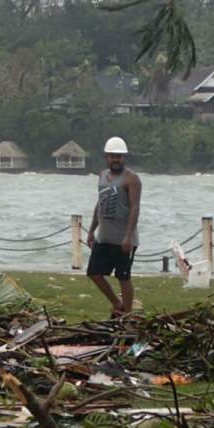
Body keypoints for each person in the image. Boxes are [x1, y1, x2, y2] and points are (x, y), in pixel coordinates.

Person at [87, 136, 142, 317]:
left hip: (123, 239)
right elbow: (99, 203)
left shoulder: (131, 179)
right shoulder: (102, 176)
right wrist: (91, 230)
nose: (115, 159)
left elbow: (135, 207)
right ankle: (117, 304)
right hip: (104, 236)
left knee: (123, 277)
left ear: (124, 157)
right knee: (94, 272)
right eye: (112, 156)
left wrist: (128, 236)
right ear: (106, 156)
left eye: (119, 156)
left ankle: (127, 314)